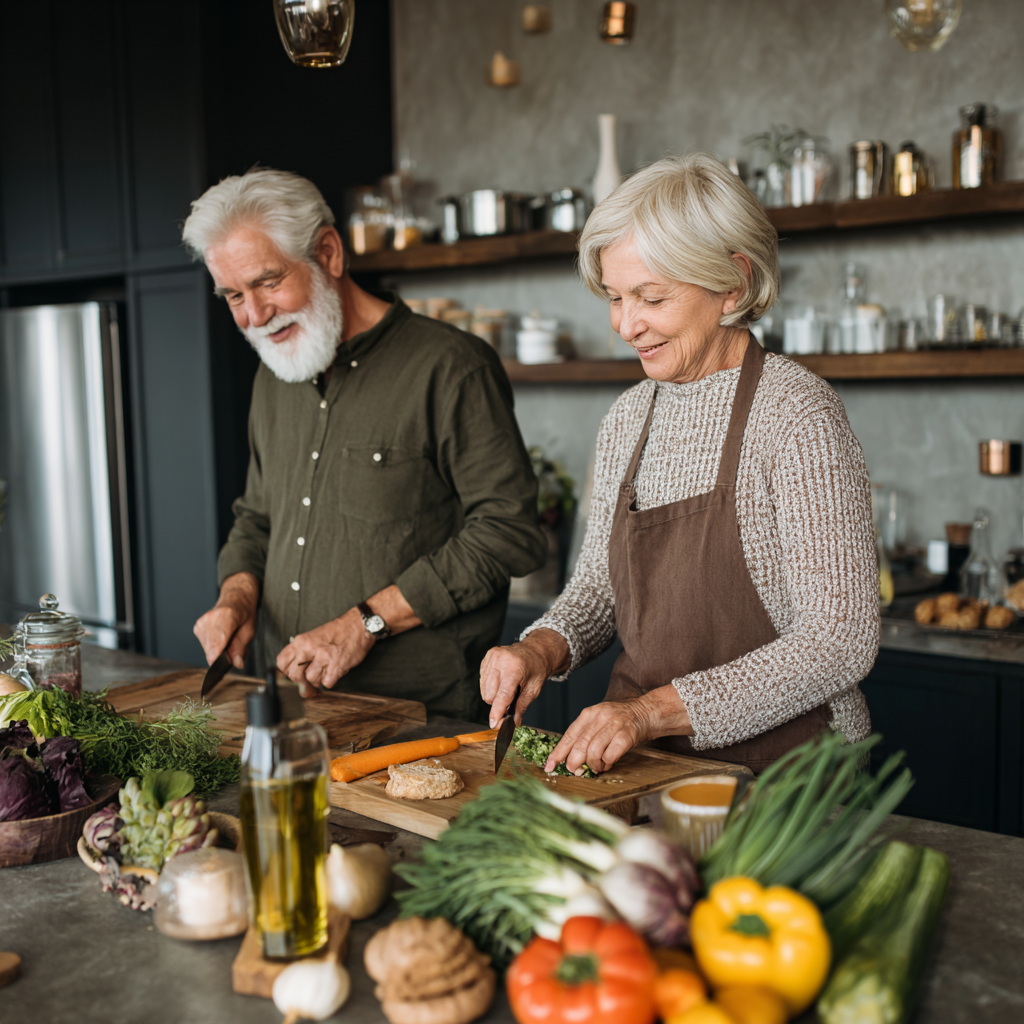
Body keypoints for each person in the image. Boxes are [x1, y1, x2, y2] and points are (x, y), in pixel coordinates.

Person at [480, 154, 879, 774]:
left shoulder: (798, 414)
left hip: (790, 779)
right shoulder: (626, 417)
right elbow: (598, 592)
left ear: (733, 285)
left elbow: (839, 640)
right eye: (615, 298)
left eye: (651, 297)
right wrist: (540, 649)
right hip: (651, 766)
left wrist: (648, 713)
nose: (626, 325)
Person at [183, 168, 546, 720]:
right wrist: (236, 597)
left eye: (268, 282)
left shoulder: (451, 366)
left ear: (328, 252)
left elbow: (507, 533)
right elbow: (257, 516)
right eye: (233, 294)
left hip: (419, 716)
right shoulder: (272, 375)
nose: (253, 317)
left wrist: (364, 624)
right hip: (283, 700)